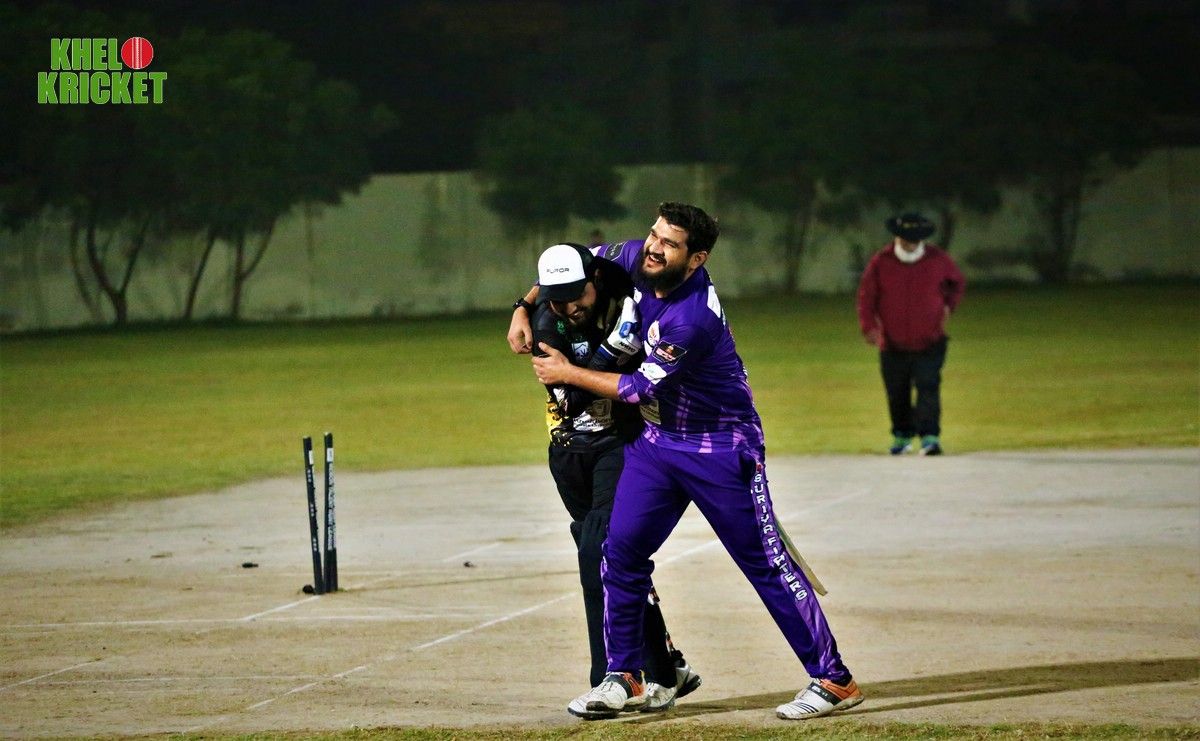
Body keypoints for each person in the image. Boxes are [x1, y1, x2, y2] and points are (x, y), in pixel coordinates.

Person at [520, 202, 863, 721]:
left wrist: (566, 373)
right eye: (655, 235)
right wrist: (522, 307)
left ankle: (834, 678)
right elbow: (579, 257)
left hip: (720, 448)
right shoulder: (637, 257)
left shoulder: (692, 319)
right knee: (619, 551)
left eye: (670, 243)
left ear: (697, 258)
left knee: (765, 565)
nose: (654, 248)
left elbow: (636, 389)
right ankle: (625, 676)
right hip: (658, 445)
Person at [511, 242, 702, 718]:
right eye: (557, 299)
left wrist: (523, 303)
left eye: (576, 294)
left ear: (594, 279)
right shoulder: (548, 323)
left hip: (621, 445)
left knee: (598, 550)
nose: (569, 306)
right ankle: (666, 664)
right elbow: (571, 398)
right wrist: (615, 347)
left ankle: (613, 678)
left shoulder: (622, 284)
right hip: (568, 452)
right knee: (618, 561)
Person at [856, 213, 965, 456]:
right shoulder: (881, 262)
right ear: (898, 238)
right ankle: (902, 436)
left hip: (930, 339)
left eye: (916, 240)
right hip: (892, 343)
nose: (911, 244)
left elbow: (957, 283)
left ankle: (930, 437)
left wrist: (949, 306)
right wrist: (868, 326)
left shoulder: (938, 259)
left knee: (928, 386)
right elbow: (867, 296)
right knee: (897, 391)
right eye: (907, 240)